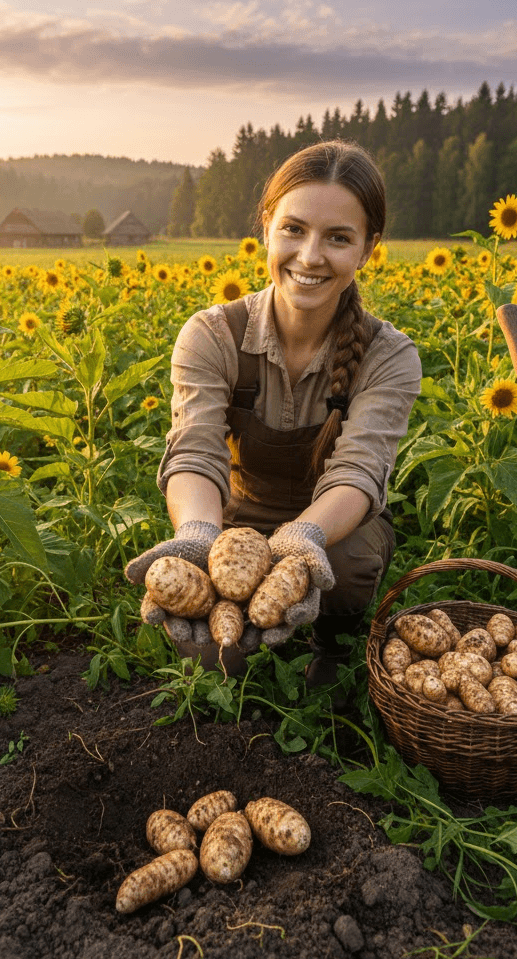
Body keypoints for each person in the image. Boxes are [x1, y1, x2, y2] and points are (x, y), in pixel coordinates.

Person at [125, 140, 421, 691]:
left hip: (332, 529)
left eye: (338, 238)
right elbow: (195, 450)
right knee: (214, 664)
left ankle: (332, 644)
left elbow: (359, 471)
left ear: (369, 249)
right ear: (266, 227)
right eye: (294, 229)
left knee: (351, 563)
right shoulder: (212, 335)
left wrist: (303, 538)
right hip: (232, 525)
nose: (310, 257)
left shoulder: (389, 356)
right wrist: (197, 535)